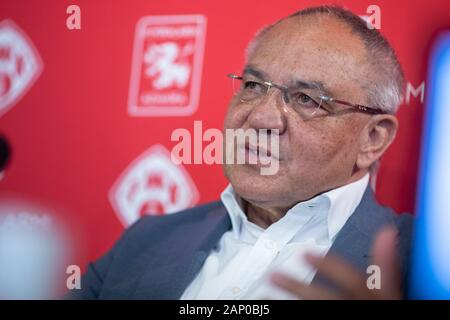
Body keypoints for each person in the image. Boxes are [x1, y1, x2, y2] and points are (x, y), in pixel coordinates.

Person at [69, 5, 412, 300]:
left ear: (372, 138)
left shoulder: (420, 265)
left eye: (306, 99)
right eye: (252, 86)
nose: (261, 117)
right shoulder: (147, 240)